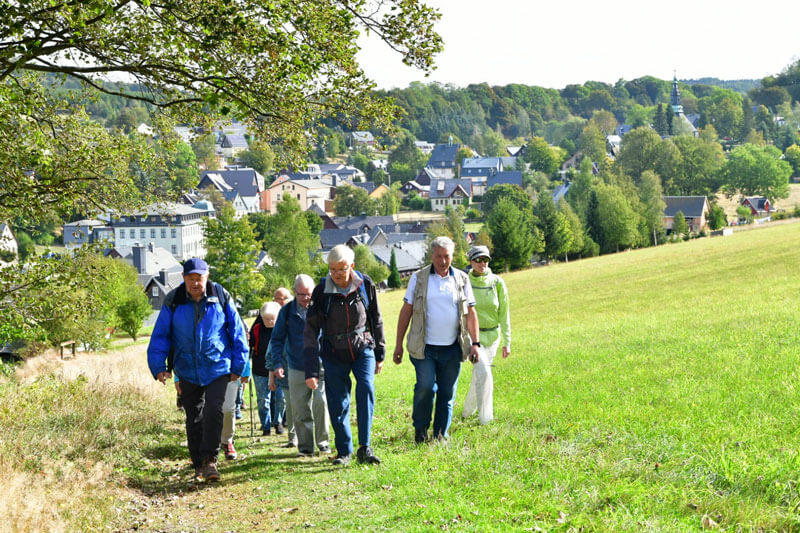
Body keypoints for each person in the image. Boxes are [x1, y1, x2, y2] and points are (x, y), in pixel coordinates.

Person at [147, 258, 248, 482]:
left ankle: (210, 460)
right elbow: (161, 335)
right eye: (191, 279)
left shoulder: (220, 296)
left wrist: (239, 365)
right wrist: (159, 366)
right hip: (186, 367)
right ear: (184, 278)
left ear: (207, 277)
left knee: (214, 409)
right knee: (194, 417)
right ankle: (198, 463)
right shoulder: (174, 300)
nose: (195, 283)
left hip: (217, 366)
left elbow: (238, 332)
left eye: (199, 278)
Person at [303, 245, 385, 465]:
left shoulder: (365, 284)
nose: (336, 274)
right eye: (332, 269)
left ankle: (365, 448)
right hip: (333, 351)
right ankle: (344, 452)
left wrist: (380, 352)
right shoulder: (322, 291)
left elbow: (375, 317)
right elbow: (310, 331)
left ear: (352, 266)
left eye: (341, 269)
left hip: (362, 346)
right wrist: (311, 369)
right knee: (338, 402)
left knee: (366, 388)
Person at [393, 236, 480, 443]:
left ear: (452, 256)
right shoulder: (418, 278)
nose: (442, 261)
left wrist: (475, 343)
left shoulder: (461, 279)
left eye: (446, 256)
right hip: (424, 348)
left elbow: (471, 313)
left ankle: (441, 435)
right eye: (438, 256)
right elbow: (406, 311)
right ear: (431, 256)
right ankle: (420, 430)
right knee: (425, 386)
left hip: (452, 347)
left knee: (446, 392)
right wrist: (398, 344)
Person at [269, 275, 331, 457]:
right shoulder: (287, 311)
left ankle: (323, 443)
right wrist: (277, 364)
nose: (305, 298)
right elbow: (277, 339)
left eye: (308, 294)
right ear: (294, 292)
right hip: (296, 366)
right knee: (300, 408)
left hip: (320, 364)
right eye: (301, 294)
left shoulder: (320, 307)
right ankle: (305, 448)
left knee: (321, 403)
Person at [461, 246, 511, 425]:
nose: (482, 263)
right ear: (471, 261)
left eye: (485, 260)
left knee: (479, 376)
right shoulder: (465, 282)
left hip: (493, 338)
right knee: (485, 374)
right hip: (473, 339)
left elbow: (504, 313)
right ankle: (486, 419)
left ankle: (466, 413)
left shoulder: (497, 282)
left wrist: (507, 341)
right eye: (478, 260)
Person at [250, 301, 281, 436]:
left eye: (272, 319)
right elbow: (249, 345)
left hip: (279, 369)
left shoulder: (282, 328)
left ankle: (278, 422)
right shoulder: (256, 329)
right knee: (263, 400)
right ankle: (266, 425)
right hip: (260, 368)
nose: (270, 321)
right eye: (266, 319)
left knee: (279, 399)